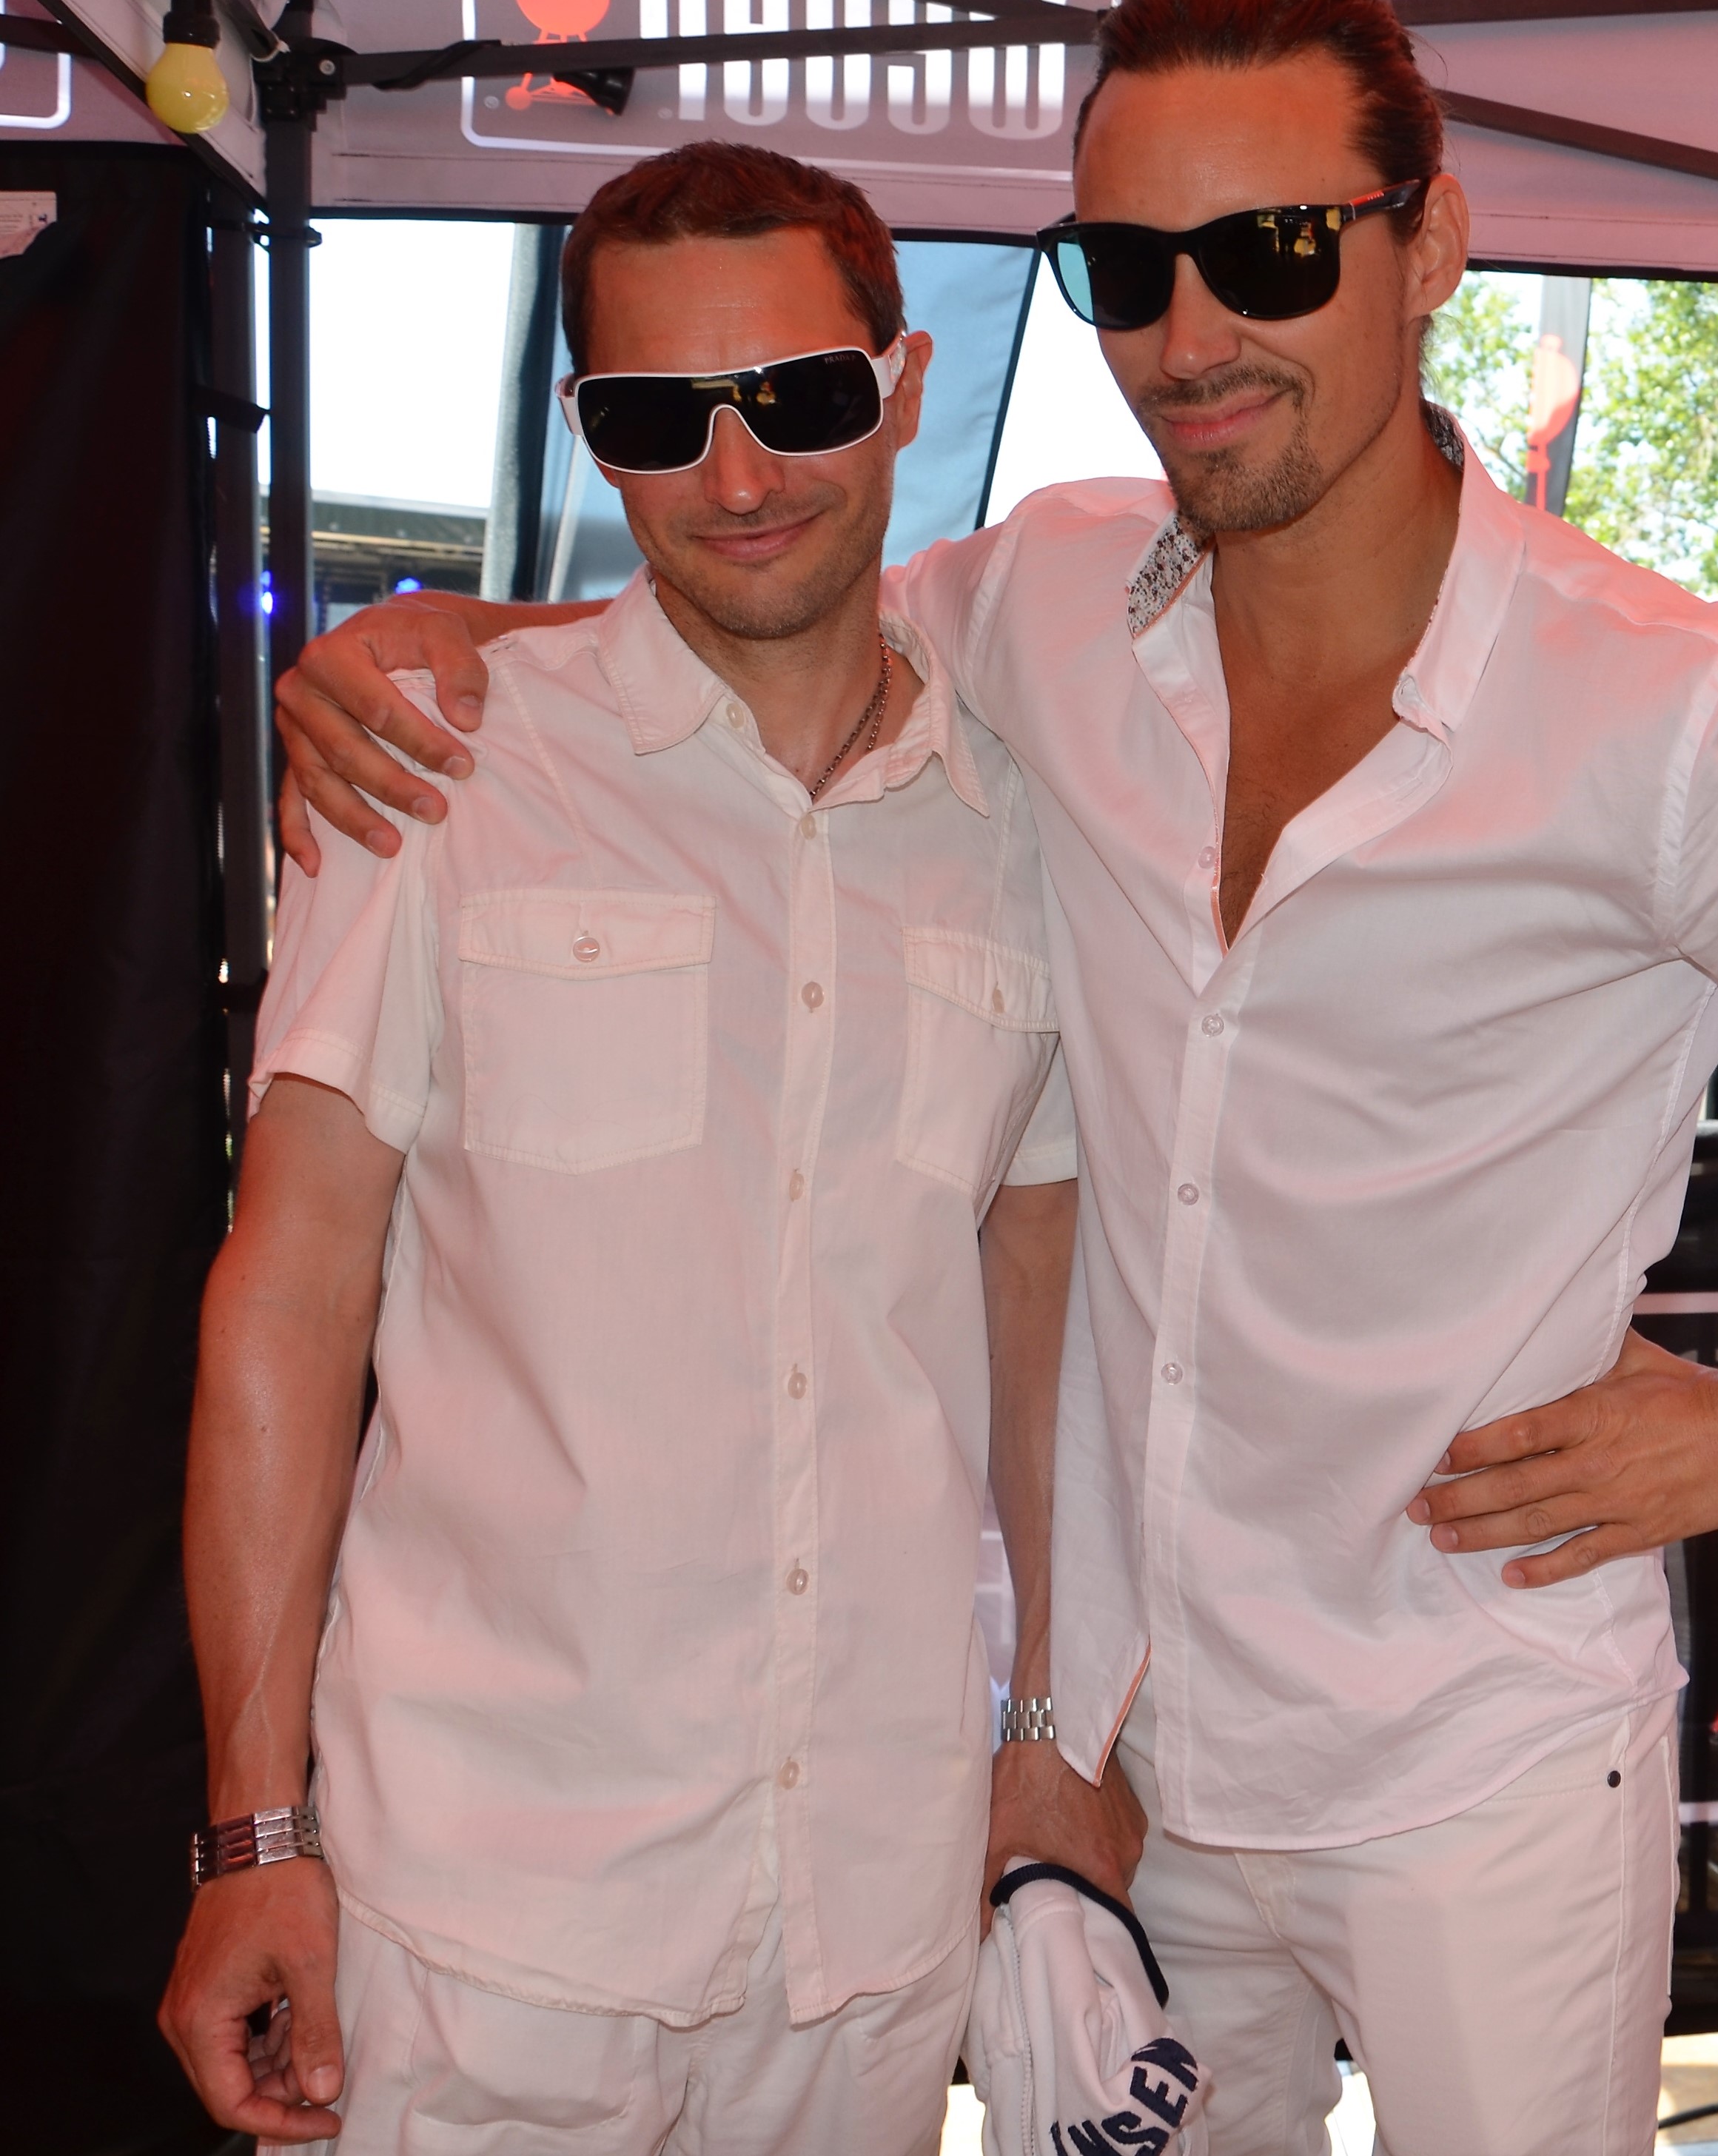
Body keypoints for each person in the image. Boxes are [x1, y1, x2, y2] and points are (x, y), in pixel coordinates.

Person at [272, 0, 1718, 2155]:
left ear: (1428, 244)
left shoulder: (1662, 716)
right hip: (1142, 1758)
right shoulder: (1051, 605)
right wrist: (441, 643)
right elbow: (756, 588)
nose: (1188, 337)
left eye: (1268, 251)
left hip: (1472, 1738)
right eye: (1128, 268)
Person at [158, 142, 1117, 2152]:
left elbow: (1035, 1302)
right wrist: (254, 1830)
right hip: (477, 1911)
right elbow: (289, 1292)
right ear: (589, 428)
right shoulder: (440, 765)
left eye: (801, 395)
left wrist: (1046, 1721)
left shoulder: (1022, 825)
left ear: (906, 384)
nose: (741, 473)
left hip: (869, 1913)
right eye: (661, 418)